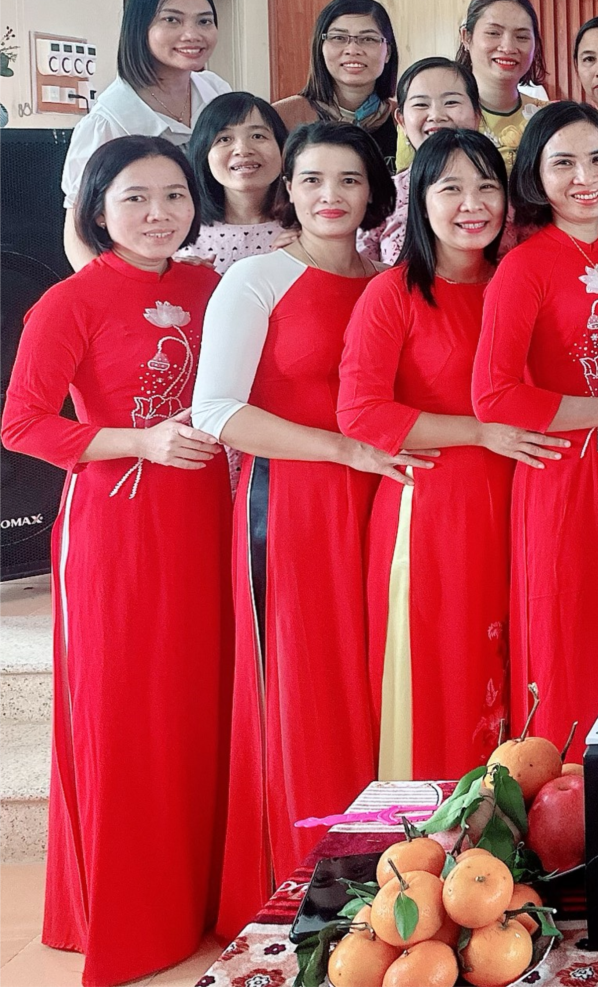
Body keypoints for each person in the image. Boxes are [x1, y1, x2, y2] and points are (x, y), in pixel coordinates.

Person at [2, 137, 231, 986]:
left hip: (207, 517)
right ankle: (131, 909)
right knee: (131, 708)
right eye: (135, 197)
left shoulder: (211, 287)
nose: (158, 213)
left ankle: (202, 893)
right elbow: (22, 423)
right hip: (119, 524)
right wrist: (139, 439)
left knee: (199, 702)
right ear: (97, 207)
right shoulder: (68, 301)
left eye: (174, 195)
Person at [190, 123, 418, 932]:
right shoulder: (257, 277)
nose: (331, 195)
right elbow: (216, 409)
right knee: (308, 693)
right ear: (287, 188)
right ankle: (314, 899)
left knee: (379, 687)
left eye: (349, 179)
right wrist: (342, 448)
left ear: (373, 192)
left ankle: (396, 883)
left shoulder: (392, 281)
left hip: (383, 504)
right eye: (313, 178)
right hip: (292, 506)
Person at [338, 130, 564, 782]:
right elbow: (360, 412)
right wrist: (480, 432)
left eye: (487, 186)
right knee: (442, 670)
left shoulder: (517, 281)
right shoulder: (394, 293)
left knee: (514, 663)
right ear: (420, 200)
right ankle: (433, 827)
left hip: (522, 499)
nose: (473, 204)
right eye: (451, 188)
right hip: (434, 507)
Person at [473, 103, 598, 750]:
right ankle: (570, 785)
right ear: (535, 174)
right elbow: (494, 395)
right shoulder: (523, 266)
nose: (585, 177)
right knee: (572, 635)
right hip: (566, 475)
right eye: (563, 162)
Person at [61, 0, 229, 272]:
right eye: (172, 20)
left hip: (220, 263)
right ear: (140, 27)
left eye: (204, 21)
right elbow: (79, 229)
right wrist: (116, 291)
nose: (192, 34)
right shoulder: (109, 120)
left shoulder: (217, 92)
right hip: (145, 275)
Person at [361, 58, 487, 266]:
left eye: (451, 102)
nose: (436, 115)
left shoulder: (502, 195)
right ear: (401, 120)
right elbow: (360, 271)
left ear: (477, 114)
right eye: (421, 104)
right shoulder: (381, 197)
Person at [272, 0, 400, 162]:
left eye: (368, 39)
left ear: (388, 52)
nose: (353, 50)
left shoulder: (404, 119)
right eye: (339, 38)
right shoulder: (281, 118)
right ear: (320, 47)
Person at [179, 92, 289, 273]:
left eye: (258, 136)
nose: (243, 150)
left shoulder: (307, 231)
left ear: (283, 147)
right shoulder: (181, 234)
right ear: (204, 154)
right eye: (224, 139)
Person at [454, 0, 548, 170]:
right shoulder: (437, 115)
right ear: (466, 37)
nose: (508, 47)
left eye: (522, 37)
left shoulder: (548, 118)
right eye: (493, 33)